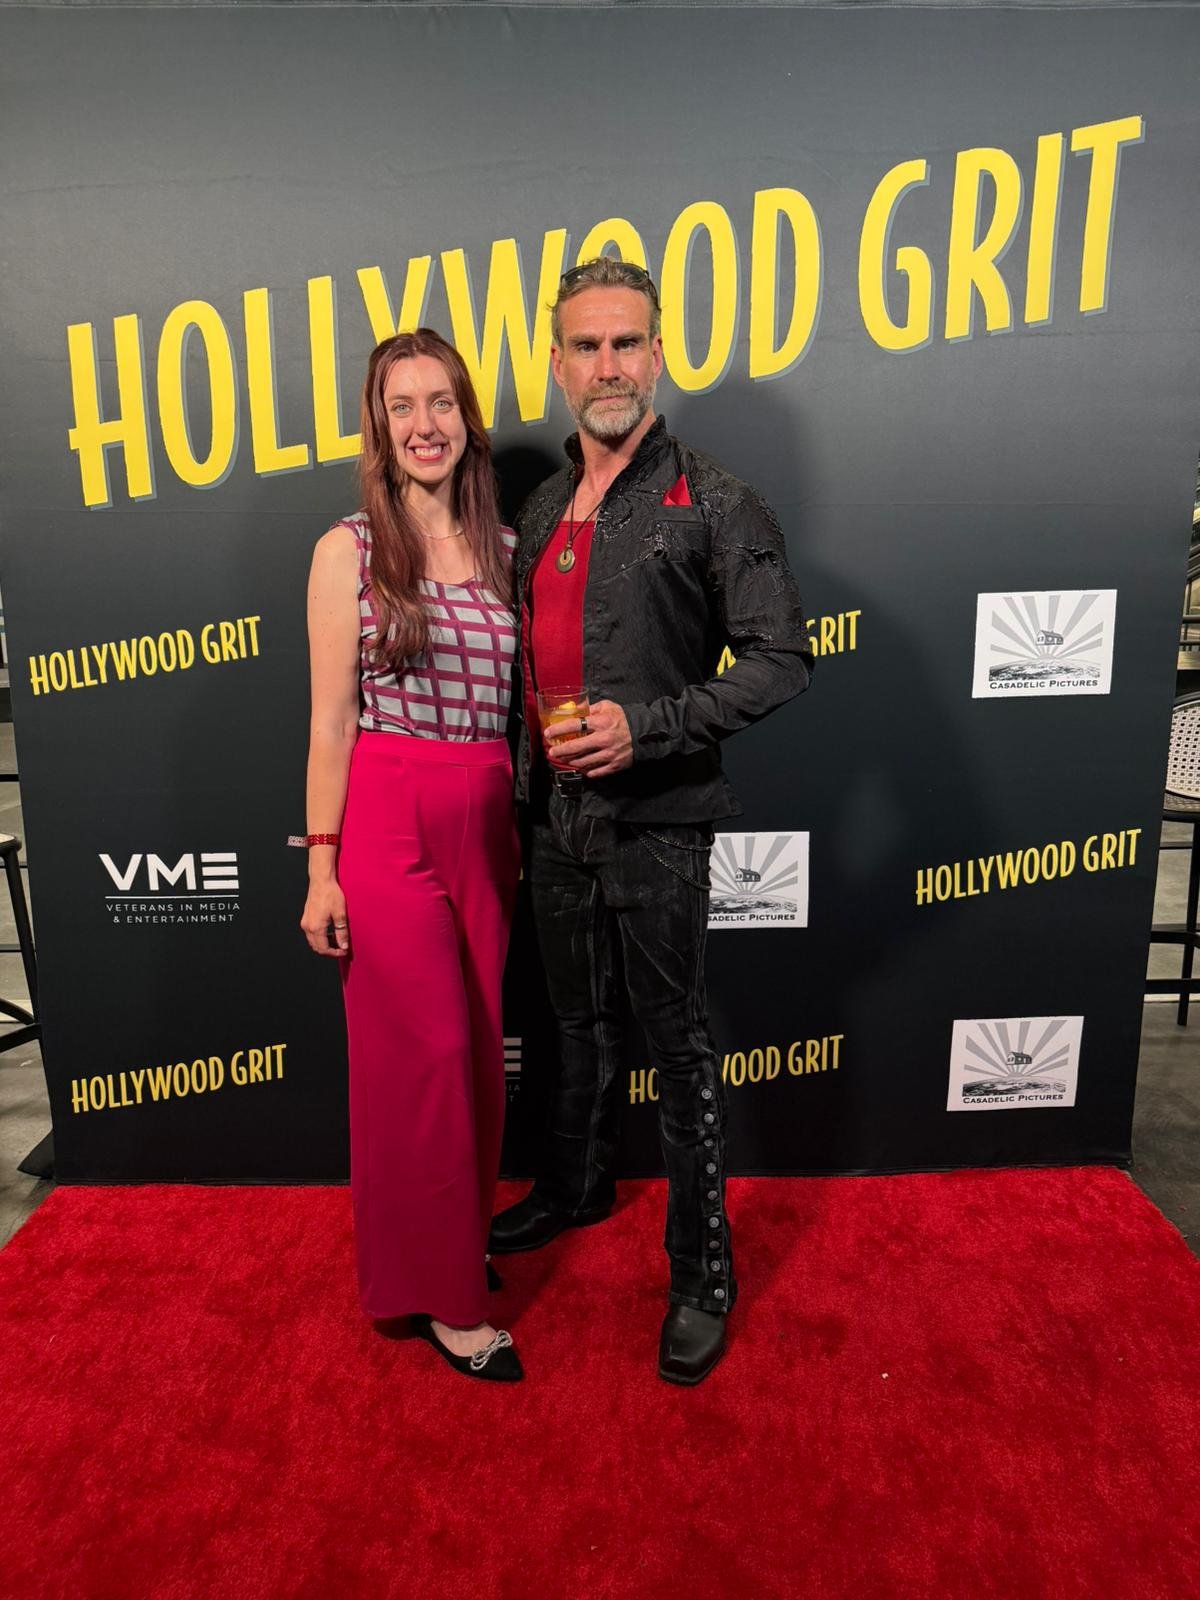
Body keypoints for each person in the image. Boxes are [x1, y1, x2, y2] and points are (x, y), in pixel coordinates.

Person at [489, 258, 813, 1385]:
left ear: (660, 352)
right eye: (586, 346)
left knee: (677, 1050)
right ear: (558, 363)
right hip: (553, 820)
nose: (608, 365)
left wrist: (652, 727)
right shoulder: (536, 506)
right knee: (575, 1023)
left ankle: (701, 1269)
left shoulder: (718, 499)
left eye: (627, 343)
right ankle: (575, 1186)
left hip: (661, 818)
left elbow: (782, 660)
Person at [300, 329, 522, 1383]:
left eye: (442, 403)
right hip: (388, 809)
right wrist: (320, 866)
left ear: (467, 420)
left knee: (476, 1052)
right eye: (403, 407)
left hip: (487, 816)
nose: (426, 424)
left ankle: (438, 1249)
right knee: (424, 1056)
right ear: (379, 429)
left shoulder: (508, 549)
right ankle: (446, 1301)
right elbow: (331, 724)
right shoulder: (347, 548)